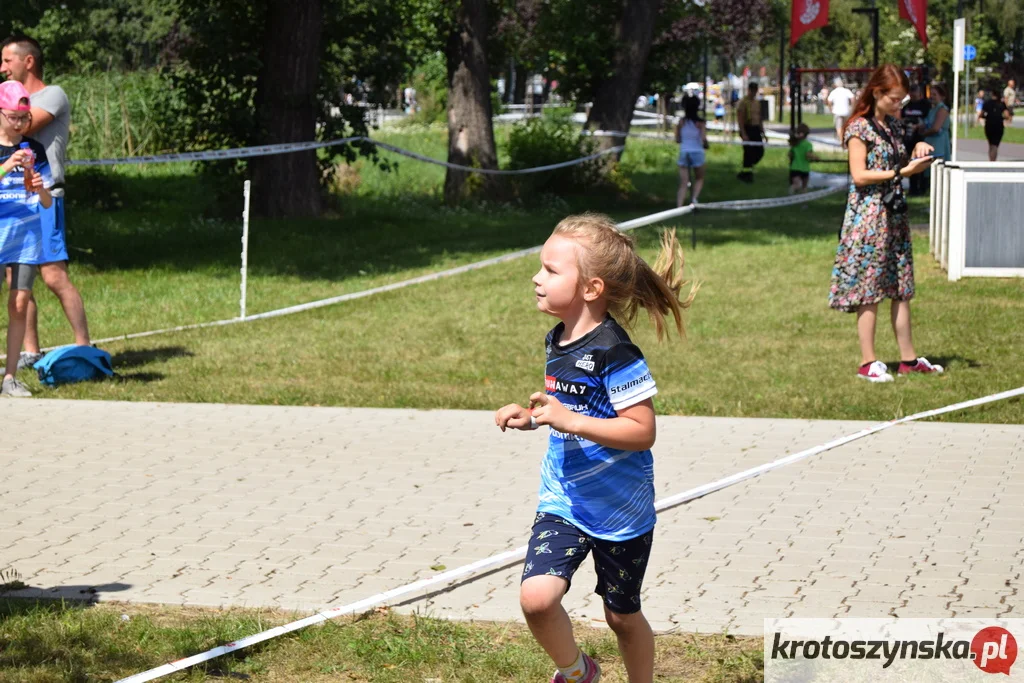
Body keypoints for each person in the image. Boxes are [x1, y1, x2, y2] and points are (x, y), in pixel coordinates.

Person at [494, 214, 694, 683]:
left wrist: (571, 420)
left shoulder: (615, 352)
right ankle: (579, 671)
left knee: (621, 617)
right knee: (536, 599)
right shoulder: (558, 339)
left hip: (621, 513)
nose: (536, 278)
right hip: (563, 500)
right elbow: (568, 411)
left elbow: (642, 430)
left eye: (550, 270)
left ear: (590, 288)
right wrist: (535, 418)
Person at [829, 64, 941, 383]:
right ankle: (868, 362)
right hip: (868, 218)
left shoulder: (891, 126)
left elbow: (897, 163)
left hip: (894, 216)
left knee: (901, 287)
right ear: (877, 93)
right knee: (870, 290)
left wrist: (915, 153)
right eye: (894, 99)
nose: (899, 105)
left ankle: (908, 360)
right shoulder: (858, 128)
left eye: (902, 100)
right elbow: (859, 175)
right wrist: (900, 174)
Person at [0, 35, 91, 370]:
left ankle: (85, 347)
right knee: (16, 280)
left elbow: (22, 125)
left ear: (28, 61)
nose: (1, 68)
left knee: (53, 275)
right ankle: (30, 352)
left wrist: (5, 113)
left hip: (45, 196)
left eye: (7, 61)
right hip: (12, 201)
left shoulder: (52, 95)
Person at [0, 80, 53, 397]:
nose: (18, 124)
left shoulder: (35, 148)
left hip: (26, 235)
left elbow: (47, 202)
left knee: (19, 303)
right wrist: (7, 165)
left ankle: (9, 378)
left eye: (23, 118)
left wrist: (38, 187)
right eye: (12, 117)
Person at [675, 95, 708, 207]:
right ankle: (694, 199)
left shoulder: (681, 122)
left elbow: (678, 139)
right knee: (699, 178)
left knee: (684, 182)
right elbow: (703, 138)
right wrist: (706, 144)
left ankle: (679, 206)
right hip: (697, 151)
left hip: (684, 151)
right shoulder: (700, 123)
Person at [900, 84, 931, 196]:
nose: (913, 95)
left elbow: (928, 120)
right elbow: (901, 117)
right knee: (910, 161)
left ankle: (922, 187)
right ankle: (913, 188)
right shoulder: (907, 106)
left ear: (919, 93)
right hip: (908, 138)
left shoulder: (925, 105)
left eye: (915, 92)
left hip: (921, 138)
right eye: (911, 92)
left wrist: (918, 126)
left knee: (921, 163)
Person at [735, 82, 766, 183]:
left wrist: (763, 132)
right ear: (749, 90)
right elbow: (740, 119)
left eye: (755, 90)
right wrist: (743, 133)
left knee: (759, 151)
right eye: (752, 90)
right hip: (747, 129)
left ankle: (747, 169)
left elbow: (759, 118)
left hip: (756, 129)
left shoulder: (757, 103)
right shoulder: (743, 102)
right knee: (748, 152)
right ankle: (746, 174)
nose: (754, 92)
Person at [917, 84, 951, 165]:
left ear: (942, 96)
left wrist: (922, 134)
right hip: (930, 142)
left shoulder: (942, 109)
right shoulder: (932, 109)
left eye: (934, 94)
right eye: (931, 94)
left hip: (938, 143)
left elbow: (935, 128)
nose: (931, 96)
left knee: (937, 166)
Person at [978, 90, 1013, 161]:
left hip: (989, 125)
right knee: (995, 144)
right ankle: (993, 161)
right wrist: (1003, 117)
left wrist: (985, 116)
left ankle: (991, 159)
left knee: (991, 144)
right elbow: (1006, 115)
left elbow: (981, 114)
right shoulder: (1001, 103)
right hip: (998, 125)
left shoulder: (987, 103)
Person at [788, 123, 817, 194]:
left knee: (796, 185)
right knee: (804, 187)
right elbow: (808, 155)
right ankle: (803, 202)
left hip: (795, 168)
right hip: (805, 168)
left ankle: (790, 195)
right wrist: (816, 158)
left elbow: (789, 154)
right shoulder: (808, 144)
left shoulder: (795, 144)